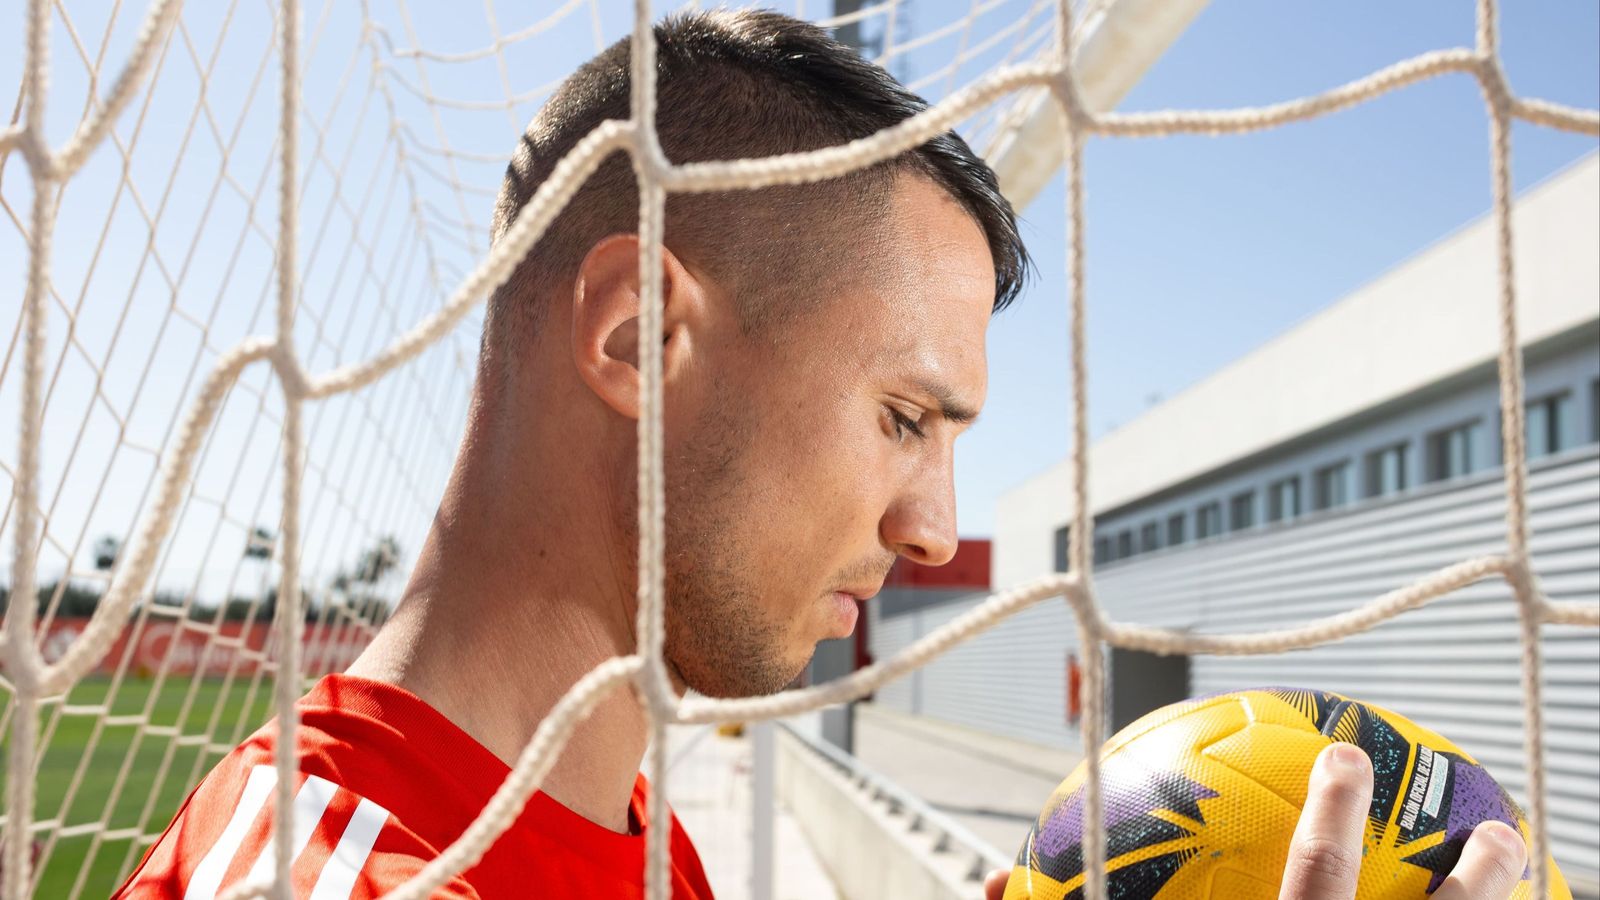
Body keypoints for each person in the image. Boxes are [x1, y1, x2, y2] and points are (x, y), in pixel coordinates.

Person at [114, 10, 1529, 900]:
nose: (932, 530)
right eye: (906, 419)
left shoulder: (633, 834)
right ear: (633, 337)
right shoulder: (340, 871)